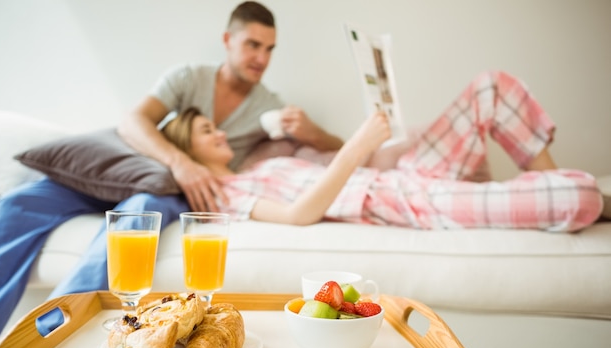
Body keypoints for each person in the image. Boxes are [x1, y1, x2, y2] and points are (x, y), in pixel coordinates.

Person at [0, 1, 342, 348]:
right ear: (228, 40)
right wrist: (179, 162)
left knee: (135, 216)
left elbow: (335, 147)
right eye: (252, 45)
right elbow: (133, 121)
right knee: (19, 202)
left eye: (269, 49)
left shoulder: (267, 105)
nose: (261, 59)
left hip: (170, 192)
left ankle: (45, 337)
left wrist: (311, 131)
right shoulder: (188, 78)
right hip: (144, 169)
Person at [161, 71, 603, 231]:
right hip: (406, 202)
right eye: (206, 131)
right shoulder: (226, 194)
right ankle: (554, 193)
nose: (219, 133)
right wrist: (356, 148)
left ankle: (542, 182)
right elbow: (299, 216)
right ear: (186, 146)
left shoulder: (261, 161)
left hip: (405, 173)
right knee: (583, 198)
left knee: (492, 86)